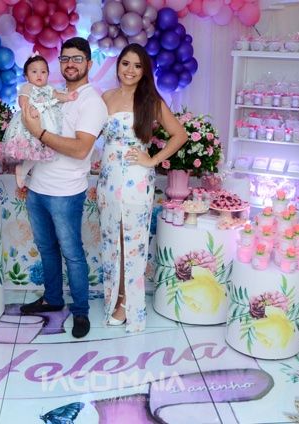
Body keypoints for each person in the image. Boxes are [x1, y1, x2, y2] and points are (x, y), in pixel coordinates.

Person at [20, 38, 108, 339]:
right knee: (46, 248)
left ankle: (80, 311)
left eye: (77, 58)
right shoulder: (53, 94)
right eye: (65, 58)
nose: (70, 63)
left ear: (89, 63)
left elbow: (81, 149)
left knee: (72, 253)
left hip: (66, 191)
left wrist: (40, 133)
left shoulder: (91, 102)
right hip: (38, 187)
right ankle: (53, 298)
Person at [97, 43, 188, 332]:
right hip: (108, 180)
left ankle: (127, 304)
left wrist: (153, 160)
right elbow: (91, 133)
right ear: (118, 66)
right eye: (126, 63)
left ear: (144, 70)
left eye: (137, 66)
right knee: (111, 238)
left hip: (136, 179)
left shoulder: (151, 100)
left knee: (131, 240)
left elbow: (179, 134)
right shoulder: (106, 97)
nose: (130, 70)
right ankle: (114, 297)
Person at [0, 54, 78, 188]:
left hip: (47, 124)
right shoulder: (28, 87)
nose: (39, 75)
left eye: (43, 72)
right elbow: (23, 101)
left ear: (48, 74)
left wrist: (68, 97)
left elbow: (58, 96)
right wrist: (31, 109)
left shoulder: (49, 88)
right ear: (26, 76)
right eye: (34, 72)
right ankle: (23, 170)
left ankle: (29, 170)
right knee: (33, 148)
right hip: (31, 121)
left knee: (42, 150)